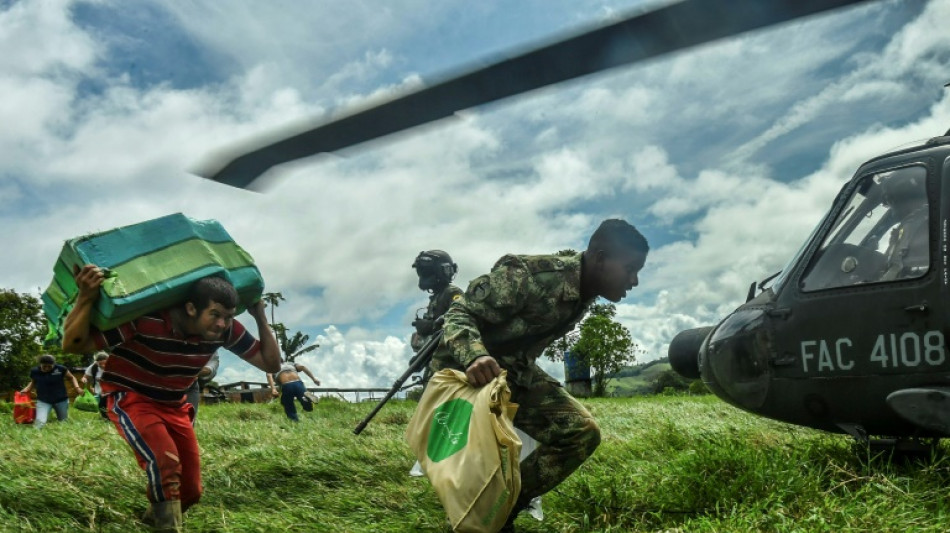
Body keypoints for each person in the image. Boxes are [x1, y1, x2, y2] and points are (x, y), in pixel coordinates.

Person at [430, 218, 648, 530]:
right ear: (600, 260)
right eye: (630, 269)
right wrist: (476, 356)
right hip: (462, 374)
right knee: (472, 465)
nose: (634, 280)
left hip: (512, 373)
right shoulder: (529, 275)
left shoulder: (584, 293)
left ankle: (500, 509)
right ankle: (474, 517)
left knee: (580, 432)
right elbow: (459, 312)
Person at [62, 265, 281, 532]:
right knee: (165, 464)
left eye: (228, 316)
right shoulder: (146, 320)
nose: (222, 324)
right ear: (191, 308)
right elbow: (74, 345)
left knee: (191, 491)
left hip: (175, 405)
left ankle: (152, 520)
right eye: (214, 314)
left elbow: (271, 364)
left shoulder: (224, 331)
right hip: (132, 397)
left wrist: (260, 316)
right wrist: (86, 296)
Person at [879, 169, 929, 281]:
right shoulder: (909, 227)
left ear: (900, 197)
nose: (890, 207)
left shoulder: (923, 226)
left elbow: (901, 271)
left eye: (889, 200)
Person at [410, 250, 463, 353]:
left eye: (427, 272)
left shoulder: (452, 293)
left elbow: (461, 322)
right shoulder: (438, 296)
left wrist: (432, 326)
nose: (424, 277)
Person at [20, 354, 81, 429]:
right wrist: (26, 389)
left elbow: (72, 377)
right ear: (40, 364)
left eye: (49, 366)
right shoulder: (35, 371)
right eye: (44, 366)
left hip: (61, 400)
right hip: (43, 400)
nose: (47, 368)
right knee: (40, 423)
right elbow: (33, 382)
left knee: (63, 421)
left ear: (54, 364)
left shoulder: (61, 369)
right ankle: (36, 435)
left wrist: (77, 388)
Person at [184, 352, 220, 422]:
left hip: (190, 385)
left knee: (188, 421)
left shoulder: (209, 344)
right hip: (162, 384)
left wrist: (191, 371)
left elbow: (211, 365)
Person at [81, 351, 110, 419]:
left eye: (105, 363)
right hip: (100, 391)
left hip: (112, 390)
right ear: (96, 362)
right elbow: (85, 377)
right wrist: (84, 380)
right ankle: (106, 418)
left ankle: (110, 418)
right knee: (102, 406)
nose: (103, 366)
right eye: (100, 364)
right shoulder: (93, 368)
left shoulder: (113, 366)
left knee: (105, 404)